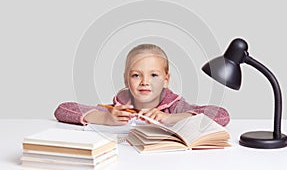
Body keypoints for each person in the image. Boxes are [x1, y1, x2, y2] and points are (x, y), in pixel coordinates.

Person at [54, 44, 230, 126]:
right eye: (136, 75)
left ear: (166, 80)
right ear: (126, 79)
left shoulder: (175, 106)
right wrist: (106, 118)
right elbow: (63, 109)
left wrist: (169, 118)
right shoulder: (119, 107)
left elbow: (221, 116)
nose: (145, 82)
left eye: (154, 75)